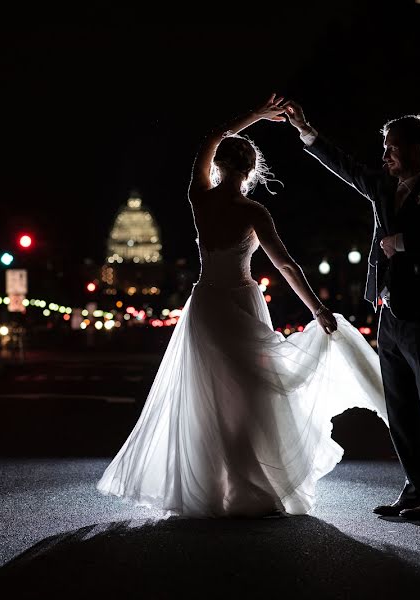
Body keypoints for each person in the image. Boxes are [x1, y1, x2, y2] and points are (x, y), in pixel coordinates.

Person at [97, 96, 388, 517]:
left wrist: (253, 116)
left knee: (208, 396)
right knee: (250, 397)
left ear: (219, 166)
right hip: (242, 301)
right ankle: (250, 483)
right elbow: (286, 266)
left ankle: (210, 487)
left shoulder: (201, 198)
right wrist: (317, 310)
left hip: (206, 305)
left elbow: (209, 138)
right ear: (251, 171)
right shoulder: (253, 211)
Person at [283, 101, 420, 520]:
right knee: (399, 409)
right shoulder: (381, 185)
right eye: (384, 147)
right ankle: (415, 489)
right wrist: (306, 131)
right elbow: (343, 165)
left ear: (418, 149)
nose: (385, 155)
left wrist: (404, 243)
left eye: (393, 147)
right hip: (389, 313)